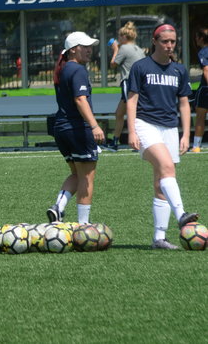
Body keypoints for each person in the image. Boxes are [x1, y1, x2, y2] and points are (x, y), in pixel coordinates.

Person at [127, 23, 200, 249]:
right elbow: (132, 100)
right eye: (165, 41)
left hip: (170, 128)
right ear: (154, 42)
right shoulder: (141, 67)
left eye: (173, 42)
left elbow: (184, 104)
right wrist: (131, 130)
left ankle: (159, 238)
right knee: (167, 166)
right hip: (145, 124)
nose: (169, 45)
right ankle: (181, 215)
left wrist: (185, 135)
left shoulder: (179, 70)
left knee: (162, 181)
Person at [46, 31, 104, 224]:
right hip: (78, 129)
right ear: (72, 50)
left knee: (76, 174)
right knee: (86, 177)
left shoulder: (64, 69)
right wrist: (94, 126)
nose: (89, 50)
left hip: (62, 129)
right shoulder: (78, 70)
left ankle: (58, 207)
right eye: (84, 47)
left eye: (90, 47)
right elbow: (80, 100)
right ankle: (83, 225)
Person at [106, 22, 146, 151]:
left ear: (124, 37)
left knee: (131, 112)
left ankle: (136, 141)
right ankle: (115, 141)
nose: (118, 39)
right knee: (119, 113)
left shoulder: (123, 48)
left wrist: (115, 49)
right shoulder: (138, 48)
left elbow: (113, 64)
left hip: (129, 83)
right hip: (140, 84)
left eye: (119, 36)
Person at [190, 26, 208, 152]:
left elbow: (206, 70)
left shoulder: (203, 52)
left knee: (200, 116)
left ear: (201, 38)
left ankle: (196, 146)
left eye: (197, 37)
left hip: (205, 89)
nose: (195, 40)